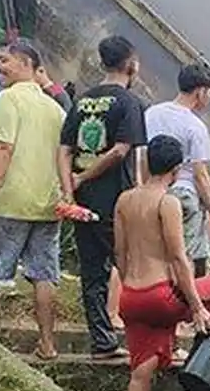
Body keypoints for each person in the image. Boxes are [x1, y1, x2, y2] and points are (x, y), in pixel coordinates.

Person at [114, 135, 210, 391]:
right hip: (160, 295)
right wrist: (196, 306)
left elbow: (119, 253)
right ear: (177, 168)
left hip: (131, 295)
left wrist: (130, 285)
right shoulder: (167, 202)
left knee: (140, 373)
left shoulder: (124, 200)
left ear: (147, 162)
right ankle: (206, 354)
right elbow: (179, 258)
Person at [0, 39, 66, 360]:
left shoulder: (8, 99)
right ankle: (48, 344)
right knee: (45, 275)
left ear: (26, 65)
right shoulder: (54, 108)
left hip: (11, 201)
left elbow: (2, 149)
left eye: (4, 61)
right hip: (47, 203)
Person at [58, 35, 147, 361]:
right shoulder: (129, 103)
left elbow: (64, 150)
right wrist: (85, 177)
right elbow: (123, 151)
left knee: (93, 271)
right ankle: (145, 339)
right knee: (133, 268)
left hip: (83, 200)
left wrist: (71, 189)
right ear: (131, 64)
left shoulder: (82, 100)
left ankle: (102, 341)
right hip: (116, 200)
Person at [145, 63, 210, 276]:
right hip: (183, 193)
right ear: (200, 92)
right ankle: (180, 293)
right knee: (182, 255)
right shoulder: (195, 127)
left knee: (153, 249)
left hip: (151, 188)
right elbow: (200, 175)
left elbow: (140, 153)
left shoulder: (152, 113)